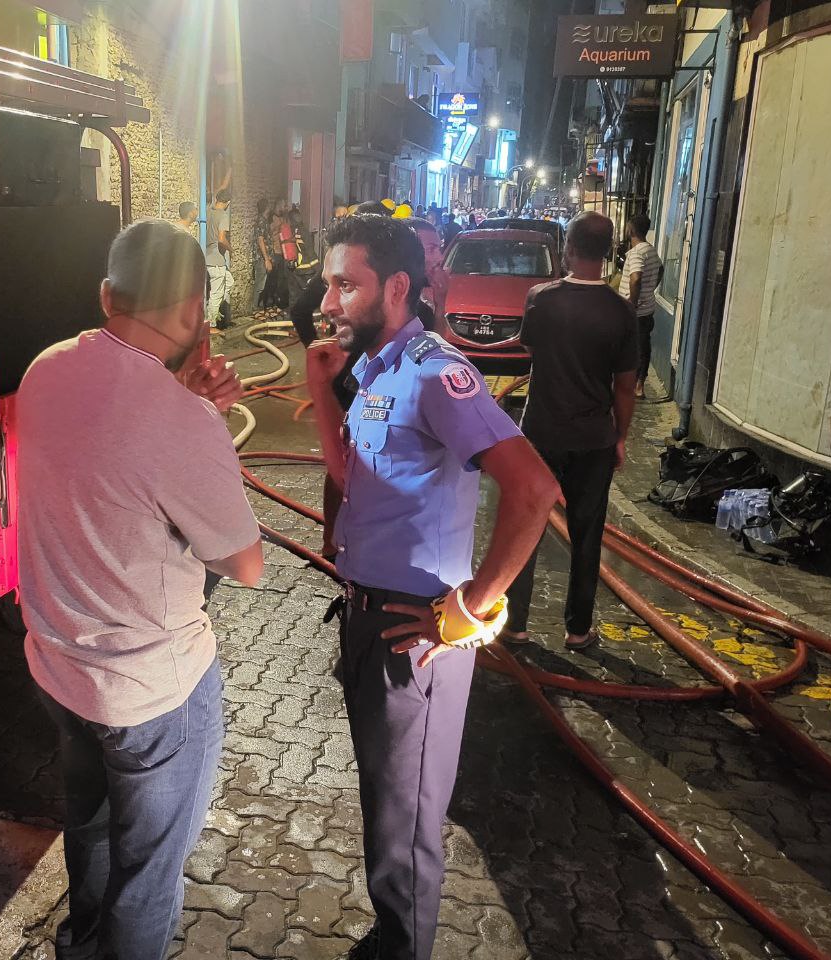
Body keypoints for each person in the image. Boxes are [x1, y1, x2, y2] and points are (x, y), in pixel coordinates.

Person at [306, 214, 559, 960]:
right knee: (387, 810)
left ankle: (404, 947)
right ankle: (391, 936)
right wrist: (321, 389)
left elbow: (534, 491)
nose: (328, 302)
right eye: (327, 284)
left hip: (412, 634)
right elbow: (353, 478)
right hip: (363, 618)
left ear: (395, 287)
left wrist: (469, 610)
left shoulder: (437, 372)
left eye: (343, 285)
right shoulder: (378, 370)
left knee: (406, 826)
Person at [18, 219, 264, 960]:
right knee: (149, 877)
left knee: (89, 832)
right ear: (195, 309)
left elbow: (112, 459)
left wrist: (190, 407)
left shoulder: (44, 370)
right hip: (151, 692)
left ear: (106, 295)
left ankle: (78, 949)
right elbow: (244, 563)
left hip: (59, 667)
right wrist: (201, 421)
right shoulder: (180, 419)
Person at [502, 212, 639, 653]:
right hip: (594, 440)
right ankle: (578, 630)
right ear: (607, 252)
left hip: (541, 433)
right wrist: (619, 437)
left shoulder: (541, 298)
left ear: (569, 248)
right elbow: (624, 385)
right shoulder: (621, 311)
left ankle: (515, 625)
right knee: (586, 536)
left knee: (525, 528)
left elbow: (530, 347)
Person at [617, 214, 663, 398]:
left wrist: (632, 303)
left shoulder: (637, 252)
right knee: (643, 347)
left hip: (634, 312)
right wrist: (650, 288)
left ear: (632, 230)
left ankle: (632, 385)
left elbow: (635, 278)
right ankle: (639, 385)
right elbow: (660, 269)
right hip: (647, 309)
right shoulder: (650, 250)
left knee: (630, 349)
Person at [205, 188, 234, 330]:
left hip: (207, 257)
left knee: (229, 282)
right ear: (228, 202)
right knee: (216, 293)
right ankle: (211, 324)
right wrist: (230, 249)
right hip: (216, 260)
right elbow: (221, 239)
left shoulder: (208, 212)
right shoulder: (223, 216)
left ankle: (213, 312)